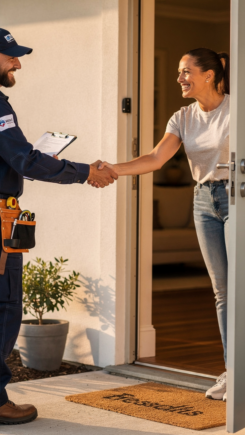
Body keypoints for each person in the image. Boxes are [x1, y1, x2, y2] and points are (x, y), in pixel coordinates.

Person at [0, 27, 117, 427]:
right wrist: (85, 172)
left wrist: (27, 158)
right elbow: (25, 160)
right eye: (10, 56)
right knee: (0, 305)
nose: (18, 62)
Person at [99, 48, 231, 401]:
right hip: (204, 201)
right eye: (178, 72)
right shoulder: (183, 117)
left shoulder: (238, 109)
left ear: (209, 75)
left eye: (186, 71)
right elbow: (157, 158)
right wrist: (112, 168)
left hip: (238, 197)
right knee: (222, 290)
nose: (180, 78)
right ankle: (232, 371)